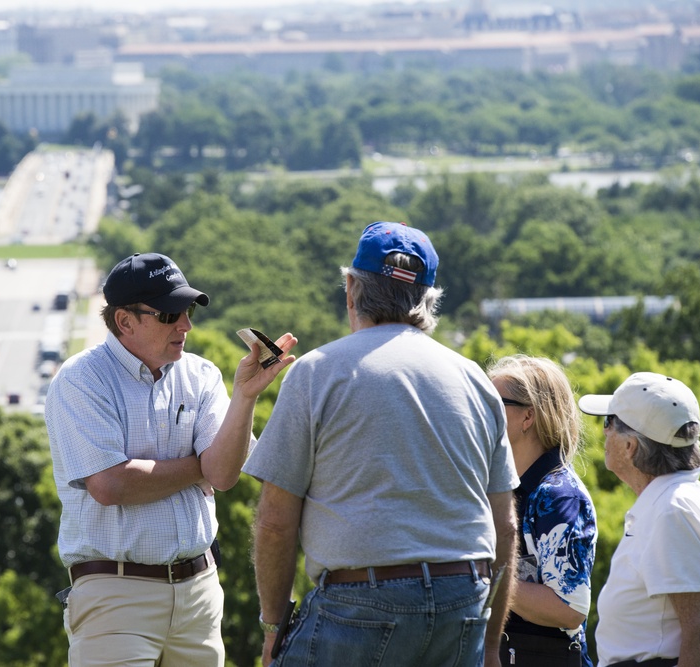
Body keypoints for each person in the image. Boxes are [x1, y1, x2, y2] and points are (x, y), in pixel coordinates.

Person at [243, 221, 519, 667]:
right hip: (464, 599)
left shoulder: (316, 373)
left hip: (359, 604)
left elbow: (275, 523)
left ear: (351, 288)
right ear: (430, 299)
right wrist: (488, 644)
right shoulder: (475, 380)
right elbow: (504, 525)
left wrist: (274, 627)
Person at [46, 251, 296, 666]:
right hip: (115, 594)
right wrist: (200, 465)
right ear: (124, 321)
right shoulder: (80, 379)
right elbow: (111, 485)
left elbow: (225, 474)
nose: (185, 325)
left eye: (187, 310)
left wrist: (246, 397)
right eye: (169, 315)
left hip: (199, 591)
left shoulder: (202, 374)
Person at [579, 372, 700, 667]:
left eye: (609, 422)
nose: (604, 432)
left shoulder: (673, 509)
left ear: (630, 447)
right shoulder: (671, 500)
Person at [488, 355, 597, 667]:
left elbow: (569, 607)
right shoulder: (505, 486)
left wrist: (482, 578)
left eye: (494, 403)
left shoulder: (559, 496)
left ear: (528, 418)